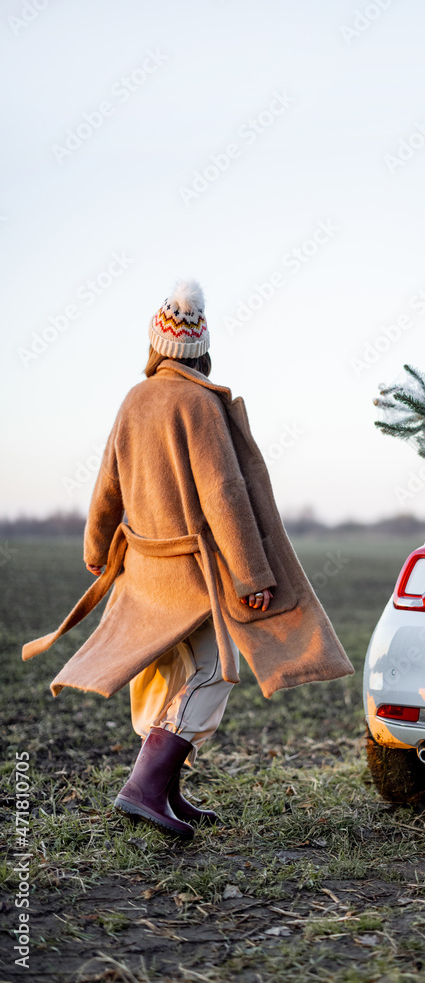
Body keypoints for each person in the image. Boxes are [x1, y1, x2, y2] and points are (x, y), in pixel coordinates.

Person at [23, 279, 354, 840]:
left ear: (157, 345)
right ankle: (144, 788)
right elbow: (225, 494)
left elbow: (107, 484)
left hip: (146, 571)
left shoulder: (135, 398)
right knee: (210, 672)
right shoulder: (199, 403)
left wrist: (96, 548)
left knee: (171, 673)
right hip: (195, 574)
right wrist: (251, 574)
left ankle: (167, 793)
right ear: (201, 348)